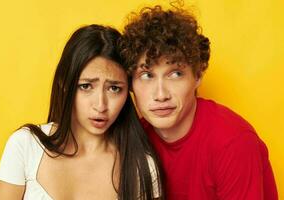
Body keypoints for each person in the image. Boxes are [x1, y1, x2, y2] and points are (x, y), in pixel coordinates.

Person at [118, 5, 278, 200]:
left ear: (198, 75)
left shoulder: (232, 141)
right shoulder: (135, 138)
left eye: (175, 74)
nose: (161, 95)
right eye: (146, 75)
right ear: (130, 83)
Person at [0, 25, 162, 200]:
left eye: (114, 88)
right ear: (65, 85)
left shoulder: (140, 166)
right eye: (86, 86)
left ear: (128, 92)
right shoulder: (26, 145)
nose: (100, 105)